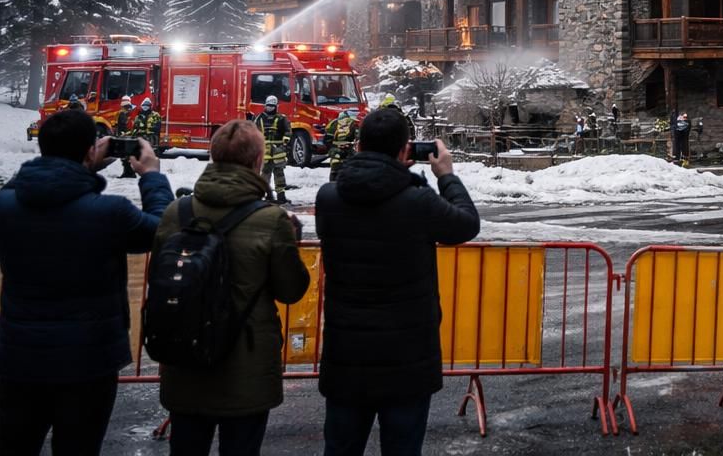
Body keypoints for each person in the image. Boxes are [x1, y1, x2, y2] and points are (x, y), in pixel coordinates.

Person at [0, 107, 171, 456]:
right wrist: (152, 177)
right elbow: (163, 230)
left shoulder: (5, 209)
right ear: (91, 150)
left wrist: (62, 165)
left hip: (21, 360)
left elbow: (0, 205)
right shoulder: (109, 213)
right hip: (89, 363)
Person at [315, 109, 480, 455]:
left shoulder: (328, 199)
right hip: (408, 358)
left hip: (347, 355)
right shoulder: (417, 201)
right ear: (406, 151)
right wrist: (446, 176)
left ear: (358, 146)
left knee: (341, 448)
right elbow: (466, 224)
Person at [155, 119, 311, 455]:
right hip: (247, 368)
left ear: (212, 156)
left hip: (185, 358)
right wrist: (290, 245)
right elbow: (291, 290)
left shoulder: (175, 213)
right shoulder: (271, 220)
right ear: (258, 161)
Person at [252, 95, 291, 204]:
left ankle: (281, 196)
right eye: (268, 105)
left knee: (279, 173)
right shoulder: (259, 118)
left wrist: (285, 141)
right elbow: (254, 132)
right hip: (265, 150)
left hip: (278, 150)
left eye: (272, 106)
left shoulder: (282, 118)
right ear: (265, 105)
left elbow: (288, 131)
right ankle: (263, 195)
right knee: (265, 173)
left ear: (276, 106)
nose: (270, 108)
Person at [324, 108, 360, 182]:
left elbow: (327, 139)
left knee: (335, 168)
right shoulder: (353, 123)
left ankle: (333, 183)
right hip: (349, 150)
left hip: (335, 151)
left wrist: (332, 147)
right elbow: (358, 137)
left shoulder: (334, 123)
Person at [117, 94, 138, 177]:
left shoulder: (125, 114)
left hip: (126, 137)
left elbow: (125, 126)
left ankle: (129, 172)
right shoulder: (126, 114)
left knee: (126, 155)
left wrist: (122, 134)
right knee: (126, 156)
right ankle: (128, 172)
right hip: (127, 136)